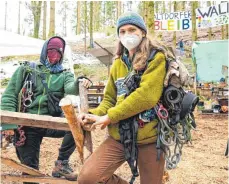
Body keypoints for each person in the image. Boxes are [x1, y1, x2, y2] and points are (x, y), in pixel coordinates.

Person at [77, 12, 169, 184]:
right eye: (123, 31)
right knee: (88, 178)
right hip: (119, 136)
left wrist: (110, 117)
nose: (127, 35)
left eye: (132, 29)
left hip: (149, 137)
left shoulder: (156, 58)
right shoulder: (118, 63)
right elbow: (109, 99)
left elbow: (146, 96)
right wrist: (93, 113)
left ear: (142, 32)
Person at [1, 36, 92, 183]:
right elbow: (9, 95)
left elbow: (71, 88)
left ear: (61, 55)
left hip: (51, 123)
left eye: (57, 52)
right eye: (50, 51)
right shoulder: (27, 70)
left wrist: (81, 81)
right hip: (27, 126)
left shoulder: (64, 74)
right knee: (30, 172)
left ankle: (61, 164)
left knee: (79, 126)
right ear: (44, 51)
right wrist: (9, 126)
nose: (53, 55)